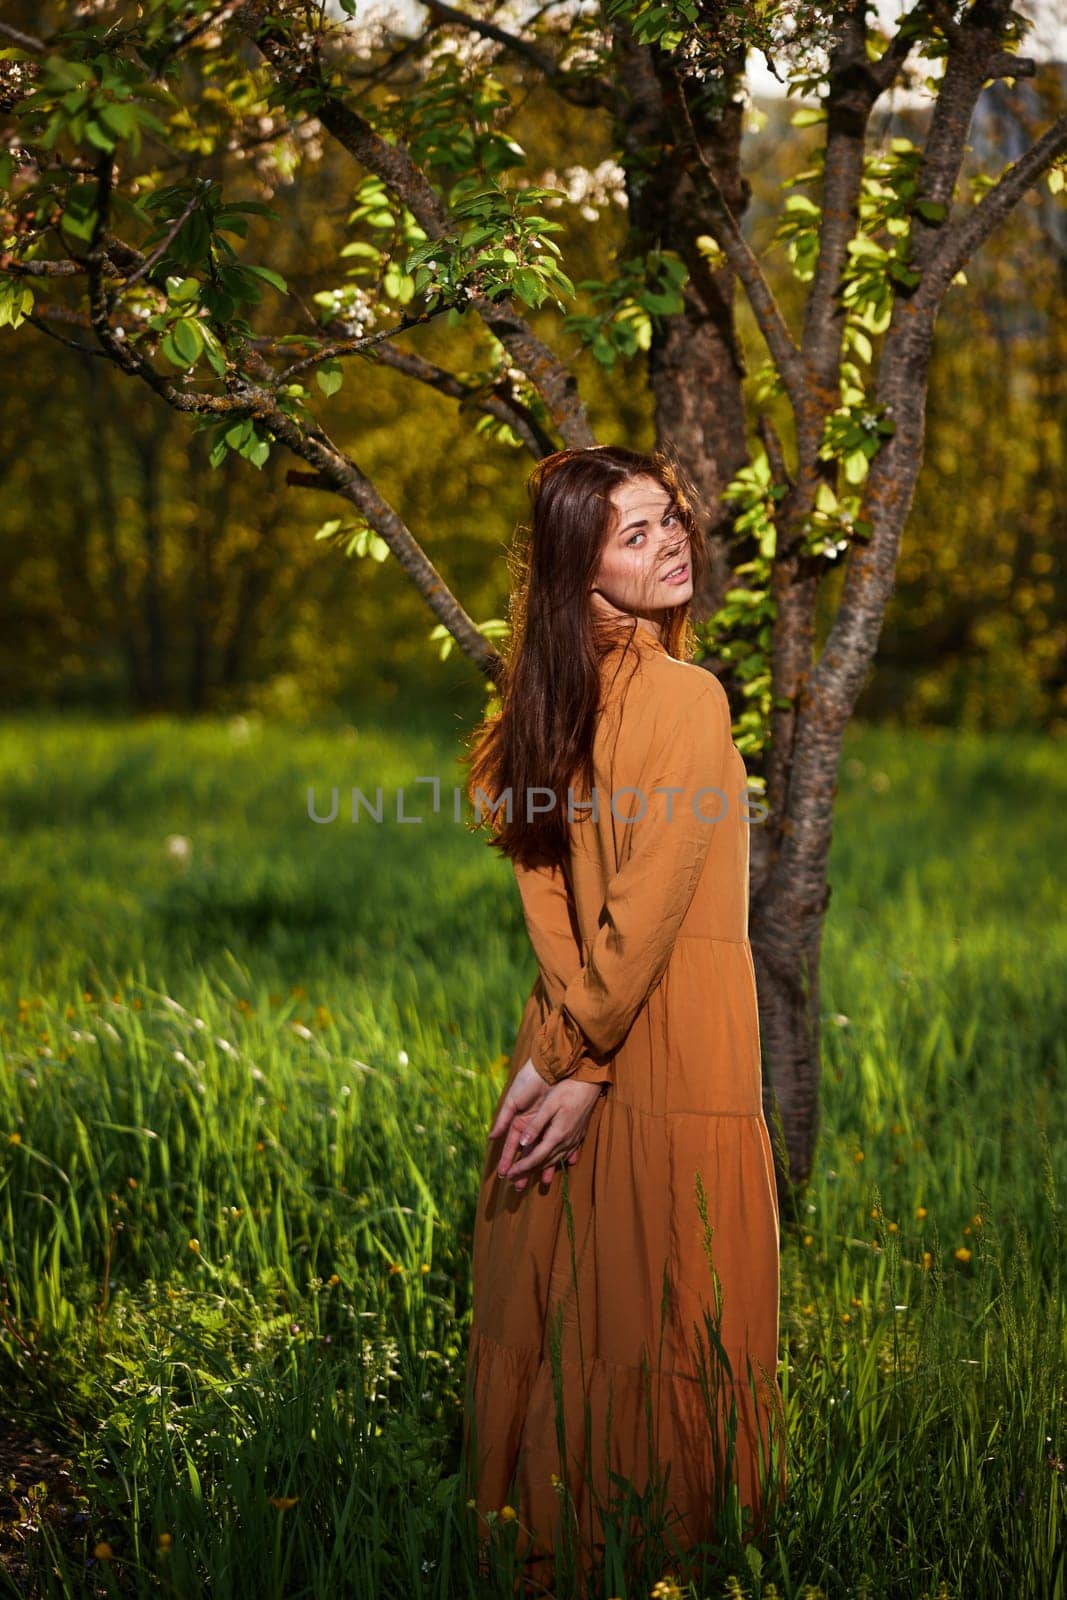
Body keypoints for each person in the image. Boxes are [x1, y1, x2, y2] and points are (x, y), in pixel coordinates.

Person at [459, 444, 786, 1588]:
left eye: (670, 521)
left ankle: (541, 1535)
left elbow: (554, 904)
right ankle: (655, 1544)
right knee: (657, 1293)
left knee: (572, 1295)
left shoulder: (543, 693)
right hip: (662, 1030)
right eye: (633, 534)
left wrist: (552, 1054)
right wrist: (584, 1062)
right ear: (577, 571)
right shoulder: (685, 697)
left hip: (572, 1025)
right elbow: (643, 910)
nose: (669, 544)